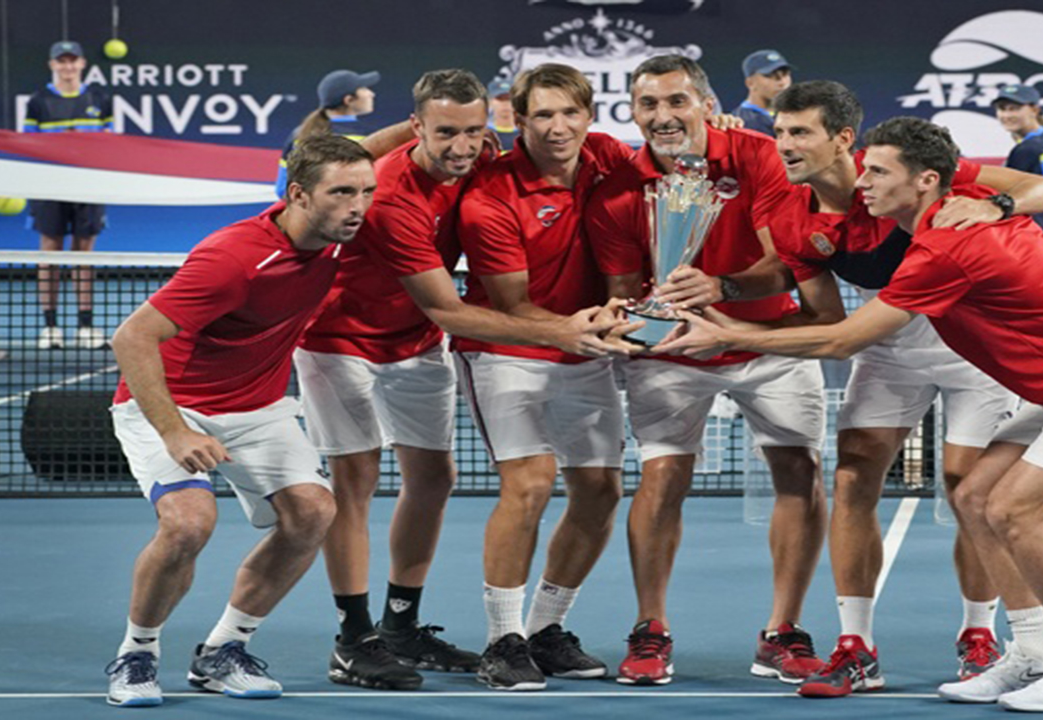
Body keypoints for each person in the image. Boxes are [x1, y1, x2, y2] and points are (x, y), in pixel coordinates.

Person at [658, 116, 1043, 713]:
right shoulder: (942, 224)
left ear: (925, 181)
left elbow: (842, 339)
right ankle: (1034, 653)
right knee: (975, 496)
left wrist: (727, 335)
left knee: (1014, 511)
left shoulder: (946, 248)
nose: (863, 183)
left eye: (878, 173)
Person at [295, 68, 634, 691]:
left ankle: (402, 625)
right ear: (416, 127)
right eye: (445, 132)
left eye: (473, 131)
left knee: (434, 478)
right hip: (340, 340)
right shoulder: (390, 196)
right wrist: (563, 331)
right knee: (357, 479)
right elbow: (448, 309)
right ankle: (354, 638)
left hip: (414, 342)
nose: (462, 146)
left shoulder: (486, 155)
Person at [103, 135, 377, 707]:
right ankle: (137, 654)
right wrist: (175, 430)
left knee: (314, 512)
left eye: (366, 192)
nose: (358, 206)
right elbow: (132, 337)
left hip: (257, 406)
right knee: (188, 524)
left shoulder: (339, 235)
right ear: (298, 194)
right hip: (171, 402)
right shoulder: (234, 258)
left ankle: (224, 650)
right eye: (342, 193)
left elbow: (387, 153)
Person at [585, 55, 829, 687]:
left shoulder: (759, 156)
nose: (663, 116)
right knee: (662, 477)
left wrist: (721, 288)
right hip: (676, 353)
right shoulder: (617, 192)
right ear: (632, 111)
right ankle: (650, 628)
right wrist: (637, 321)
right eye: (648, 104)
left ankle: (783, 631)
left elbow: (788, 264)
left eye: (677, 101)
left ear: (706, 104)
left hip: (768, 341)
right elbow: (621, 288)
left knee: (800, 471)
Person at [455, 63, 642, 692]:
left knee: (600, 492)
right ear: (518, 119)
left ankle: (544, 629)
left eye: (570, 113)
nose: (558, 127)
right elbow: (512, 306)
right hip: (506, 349)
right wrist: (578, 327)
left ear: (590, 116)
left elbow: (679, 164)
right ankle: (501, 641)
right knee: (530, 484)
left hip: (585, 350)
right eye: (542, 114)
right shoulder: (488, 197)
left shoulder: (608, 158)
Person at [24, 40, 113, 350]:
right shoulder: (38, 102)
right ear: (52, 65)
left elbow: (111, 143)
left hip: (88, 185)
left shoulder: (100, 99)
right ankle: (50, 327)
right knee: (49, 253)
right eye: (61, 61)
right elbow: (28, 145)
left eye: (72, 60)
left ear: (82, 63)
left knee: (83, 254)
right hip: (49, 186)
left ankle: (85, 327)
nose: (67, 66)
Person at [276, 69, 381, 197]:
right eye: (364, 89)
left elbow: (282, 189)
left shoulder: (298, 134)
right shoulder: (371, 136)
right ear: (348, 100)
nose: (371, 94)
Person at [993, 84, 1043, 248]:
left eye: (1014, 109)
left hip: (1036, 229)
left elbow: (1007, 195)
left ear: (1034, 110)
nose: (1006, 115)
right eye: (1002, 109)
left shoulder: (1029, 149)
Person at [733, 49, 792, 137]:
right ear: (750, 83)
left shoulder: (794, 115)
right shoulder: (739, 123)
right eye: (770, 75)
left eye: (785, 74)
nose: (782, 82)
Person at [487, 77, 519, 152]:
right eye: (500, 99)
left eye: (509, 99)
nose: (505, 104)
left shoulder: (526, 134)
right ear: (490, 102)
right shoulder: (483, 134)